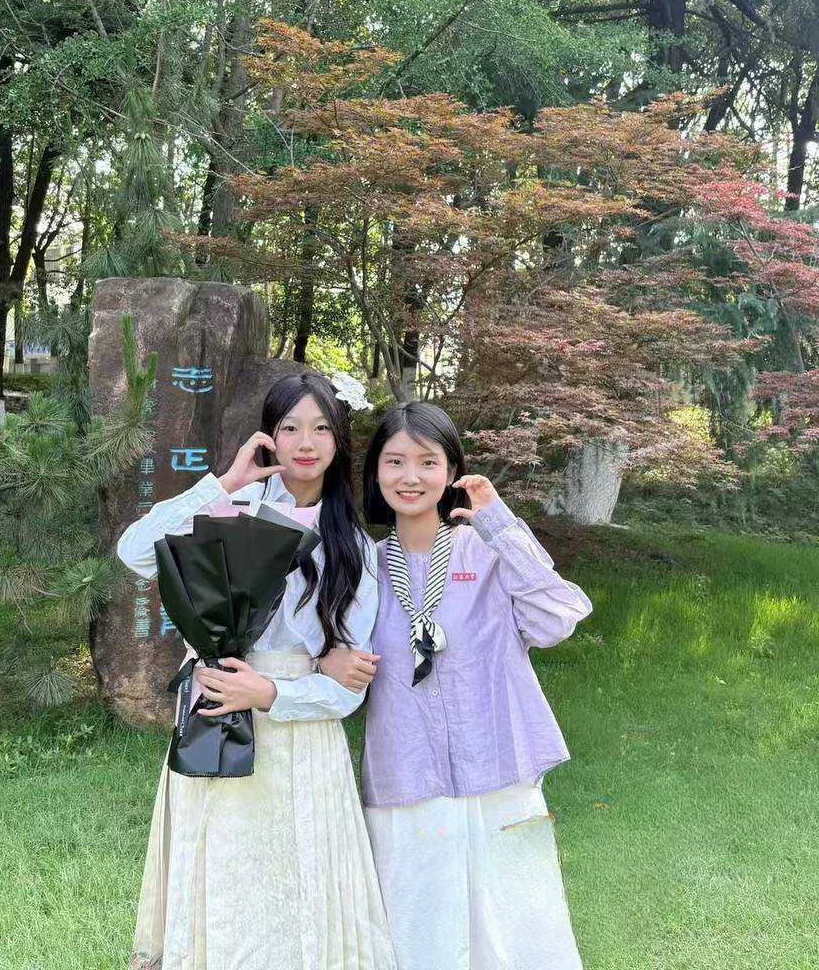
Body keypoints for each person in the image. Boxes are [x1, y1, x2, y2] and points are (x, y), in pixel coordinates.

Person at [117, 372, 396, 970]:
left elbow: (349, 688)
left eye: (321, 428)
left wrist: (269, 690)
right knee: (223, 879)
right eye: (290, 427)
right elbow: (135, 552)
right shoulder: (230, 510)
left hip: (298, 736)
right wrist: (223, 483)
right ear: (268, 435)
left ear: (340, 439)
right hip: (218, 710)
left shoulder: (353, 548)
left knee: (296, 890)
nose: (305, 443)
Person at [321, 400, 592, 970]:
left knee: (515, 925)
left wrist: (499, 524)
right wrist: (329, 662)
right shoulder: (364, 566)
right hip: (407, 772)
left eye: (428, 462)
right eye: (395, 462)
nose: (411, 477)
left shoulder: (487, 551)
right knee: (421, 925)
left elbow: (557, 618)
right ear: (375, 473)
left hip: (497, 766)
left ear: (451, 472)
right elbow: (330, 651)